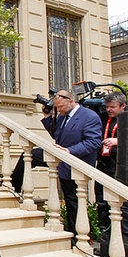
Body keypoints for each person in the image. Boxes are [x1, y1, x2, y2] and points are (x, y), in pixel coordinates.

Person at [40, 90, 102, 235]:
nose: (59, 110)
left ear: (71, 101)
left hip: (76, 165)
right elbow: (57, 135)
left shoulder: (89, 117)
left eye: (61, 107)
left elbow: (93, 142)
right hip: (61, 161)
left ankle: (76, 235)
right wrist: (48, 117)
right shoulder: (63, 116)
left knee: (72, 202)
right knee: (30, 156)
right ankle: (14, 187)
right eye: (57, 108)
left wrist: (69, 150)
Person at [95, 92, 126, 233]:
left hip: (119, 168)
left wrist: (118, 141)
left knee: (120, 203)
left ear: (123, 106)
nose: (109, 110)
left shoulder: (126, 120)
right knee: (101, 201)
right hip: (103, 164)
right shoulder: (103, 119)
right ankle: (104, 234)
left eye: (112, 107)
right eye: (107, 107)